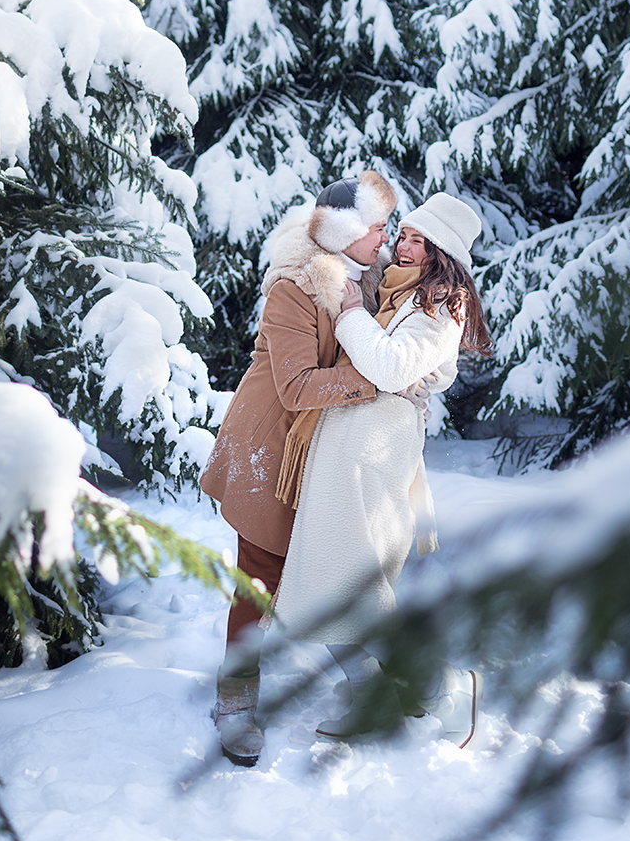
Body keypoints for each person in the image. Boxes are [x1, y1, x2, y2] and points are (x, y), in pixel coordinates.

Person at [200, 169, 414, 766]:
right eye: (375, 227)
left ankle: (369, 684)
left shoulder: (367, 277)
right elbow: (295, 386)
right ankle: (235, 699)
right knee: (261, 576)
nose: (384, 237)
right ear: (345, 232)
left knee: (337, 560)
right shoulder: (294, 287)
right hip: (273, 449)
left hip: (327, 450)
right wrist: (375, 381)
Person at [271, 192, 492, 746]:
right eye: (405, 234)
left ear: (442, 253)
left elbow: (390, 367)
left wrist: (348, 314)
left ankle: (442, 689)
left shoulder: (442, 305)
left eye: (420, 240)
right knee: (319, 578)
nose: (405, 245)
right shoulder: (393, 294)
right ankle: (373, 690)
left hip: (375, 444)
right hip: (345, 440)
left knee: (350, 579)